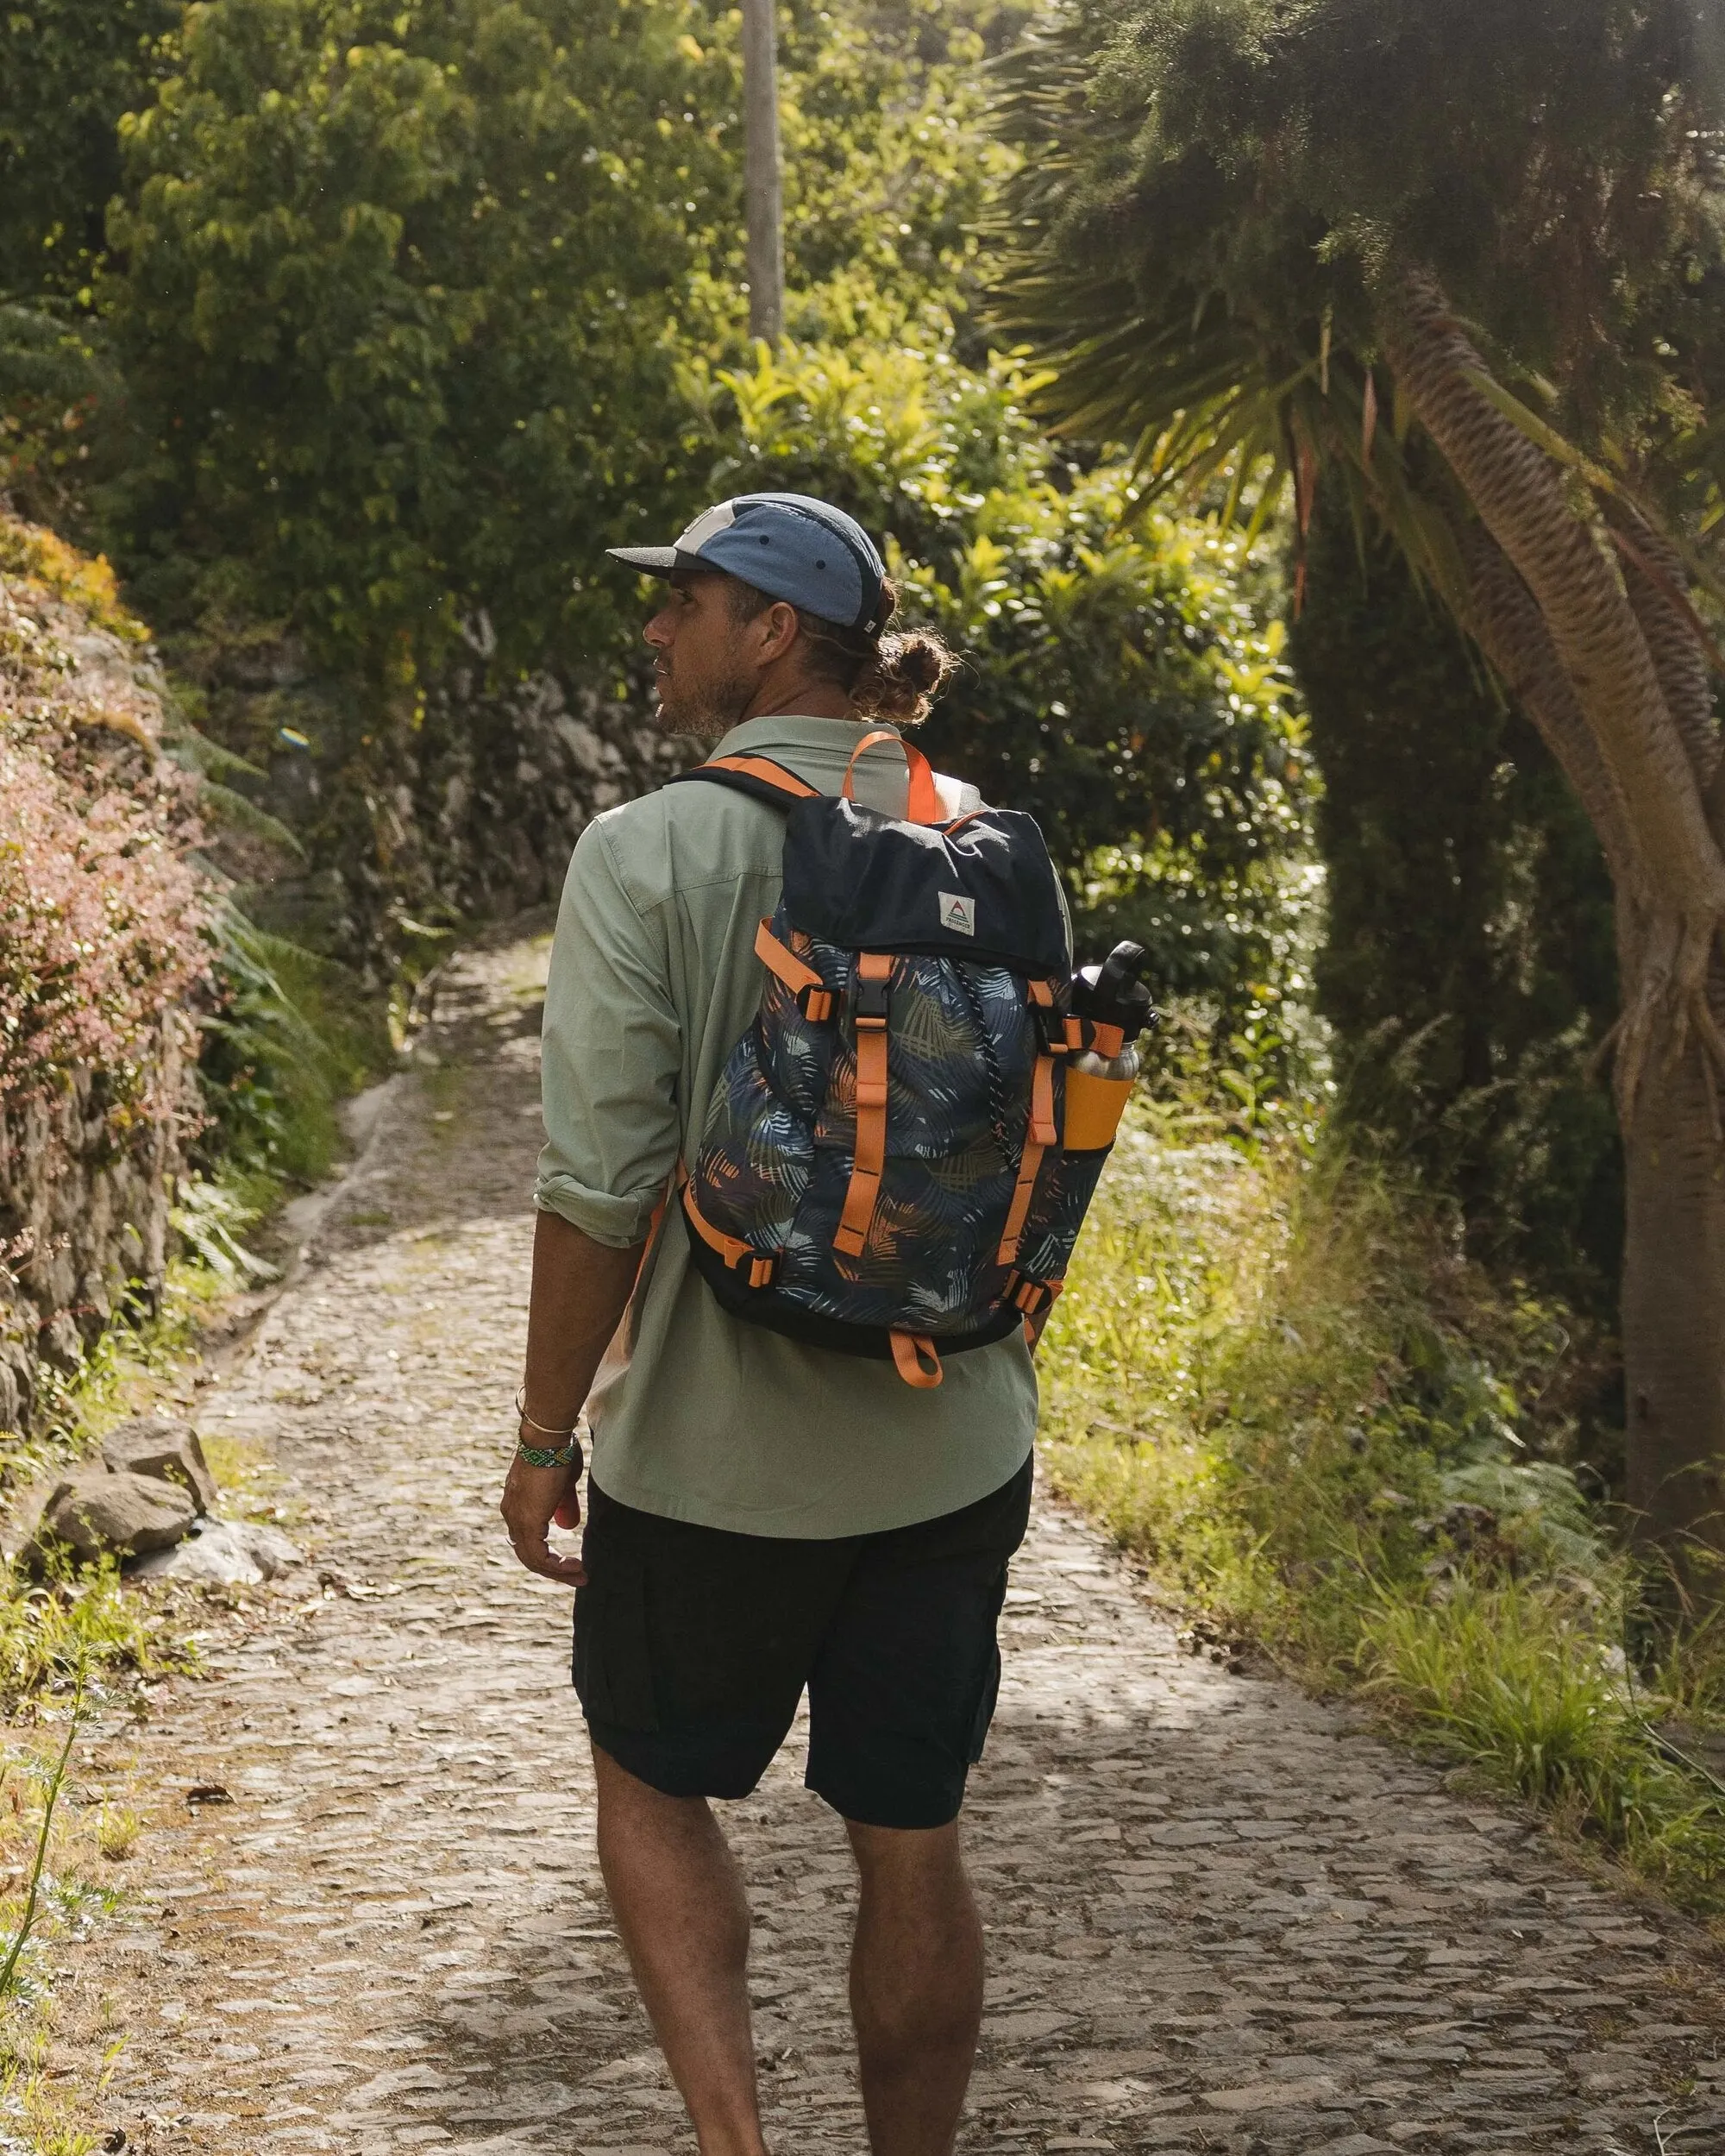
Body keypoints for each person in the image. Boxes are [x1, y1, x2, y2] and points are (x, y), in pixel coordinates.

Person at [499, 493, 1041, 2156]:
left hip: (710, 1460)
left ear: (776, 633)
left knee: (655, 1786)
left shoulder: (646, 850)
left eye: (690, 600)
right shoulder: (982, 831)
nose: (658, 629)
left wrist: (539, 1440)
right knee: (914, 1837)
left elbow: (601, 1186)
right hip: (952, 1436)